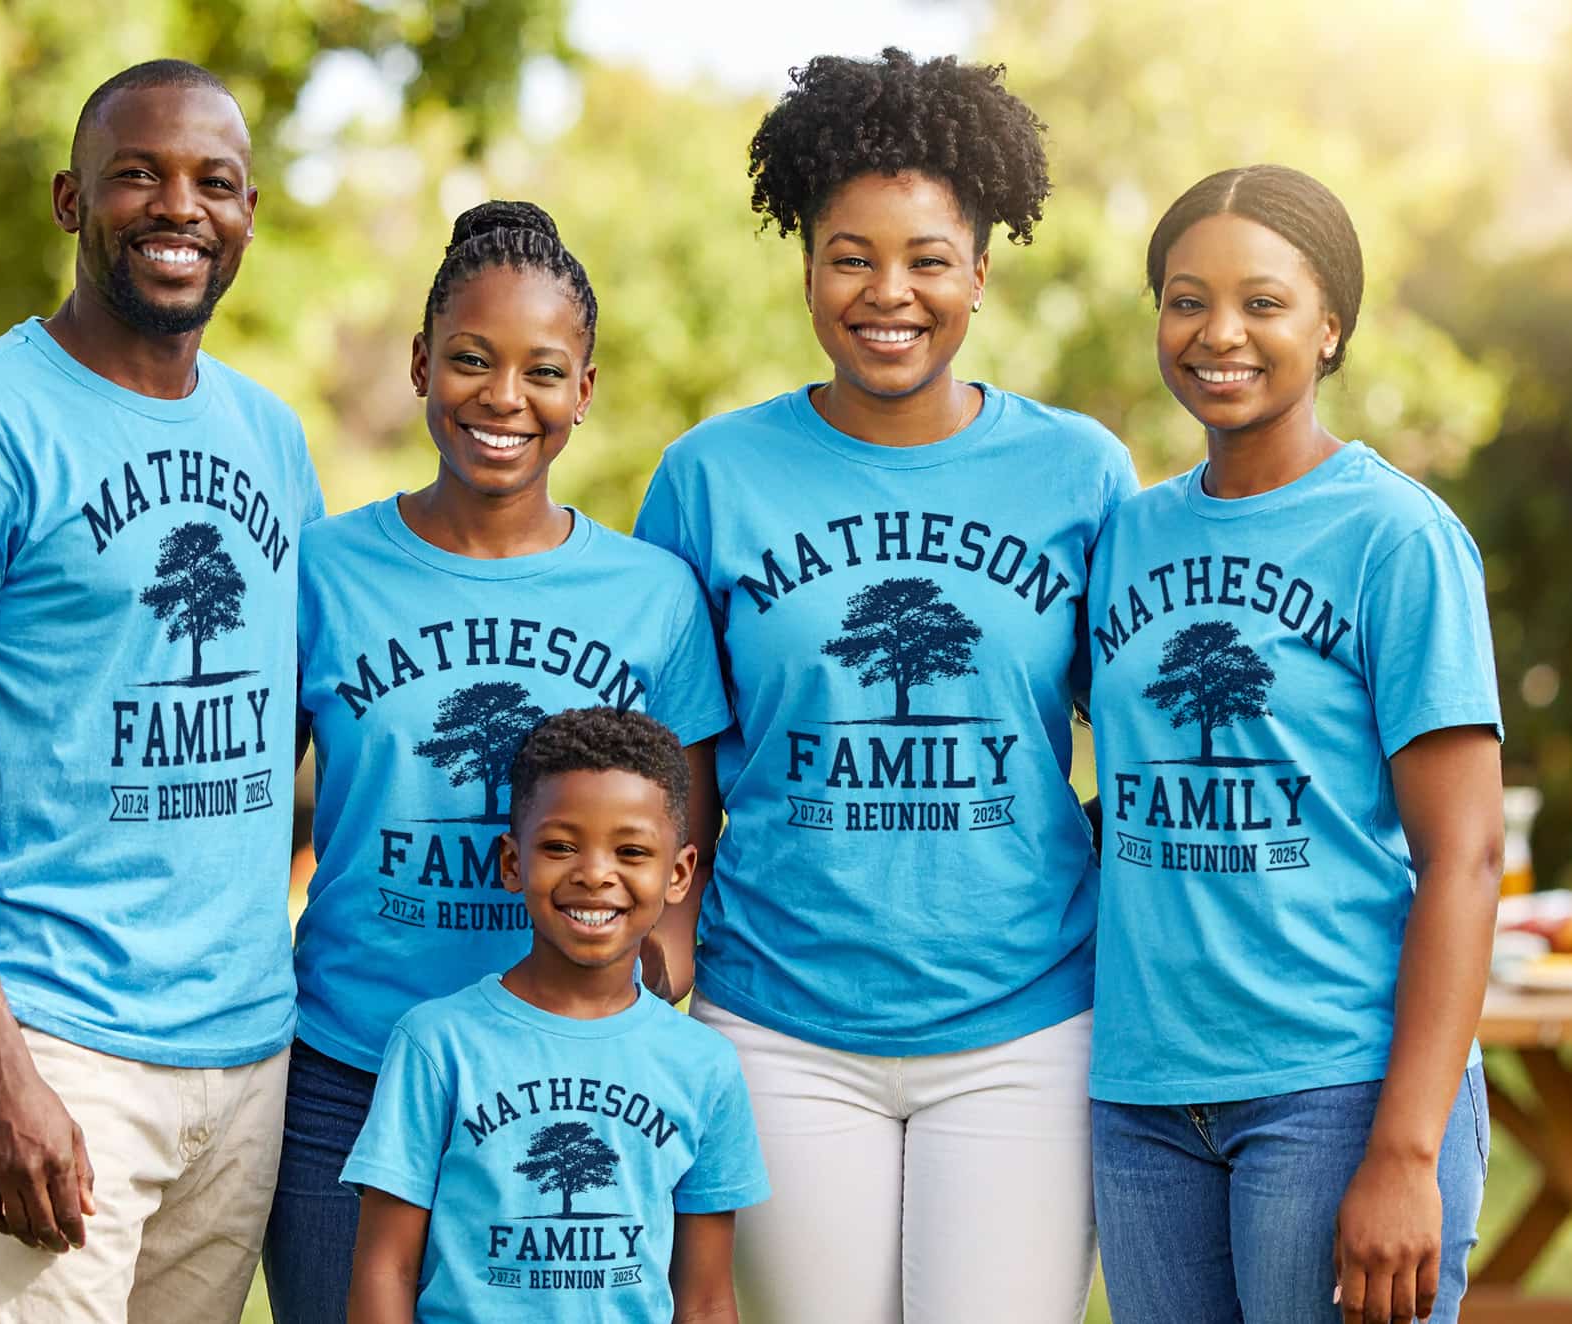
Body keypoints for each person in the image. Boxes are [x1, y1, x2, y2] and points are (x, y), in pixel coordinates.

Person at [632, 47, 1136, 1322]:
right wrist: (668, 924)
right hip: (779, 1023)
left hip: (1025, 1024)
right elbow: (671, 748)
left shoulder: (1080, 473)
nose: (887, 294)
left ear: (980, 267)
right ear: (804, 268)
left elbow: (1137, 739)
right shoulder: (708, 478)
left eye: (925, 258)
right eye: (849, 257)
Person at [0, 59, 323, 1323]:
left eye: (211, 183)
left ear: (248, 213)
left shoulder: (272, 437)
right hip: (49, 1032)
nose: (178, 207)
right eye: (138, 175)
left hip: (239, 1048)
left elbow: (293, 721)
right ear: (71, 200)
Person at [265, 201, 731, 1321]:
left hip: (570, 1082)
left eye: (542, 369)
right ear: (422, 362)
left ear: (584, 388)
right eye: (471, 360)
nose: (503, 398)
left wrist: (626, 1012)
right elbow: (246, 806)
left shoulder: (649, 595)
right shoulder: (322, 570)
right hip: (350, 1066)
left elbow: (689, 843)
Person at [1086, 164, 1502, 1324]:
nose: (1218, 332)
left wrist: (1406, 1152)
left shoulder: (1396, 538)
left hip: (1335, 1086)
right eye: (1184, 297)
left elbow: (1463, 857)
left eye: (1262, 302)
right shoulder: (1123, 537)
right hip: (1143, 1096)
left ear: (1329, 327)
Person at [343, 707, 769, 1323]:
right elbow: (387, 1267)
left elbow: (704, 1300)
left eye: (630, 850)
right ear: (513, 864)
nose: (595, 874)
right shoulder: (437, 1044)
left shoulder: (702, 1063)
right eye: (561, 846)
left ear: (678, 874)